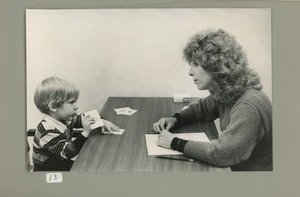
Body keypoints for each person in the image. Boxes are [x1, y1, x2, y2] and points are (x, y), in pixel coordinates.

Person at [153, 29, 272, 171]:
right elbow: (202, 109)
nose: (190, 72)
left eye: (196, 64)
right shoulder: (229, 91)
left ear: (216, 66)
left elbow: (223, 154)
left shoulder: (249, 106)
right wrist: (176, 119)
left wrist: (174, 142)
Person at [32, 76, 120, 171]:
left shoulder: (65, 118)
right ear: (53, 107)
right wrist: (85, 132)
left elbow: (82, 119)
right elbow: (67, 153)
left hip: (61, 161)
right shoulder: (47, 131)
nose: (76, 106)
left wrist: (102, 121)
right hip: (48, 169)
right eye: (71, 102)